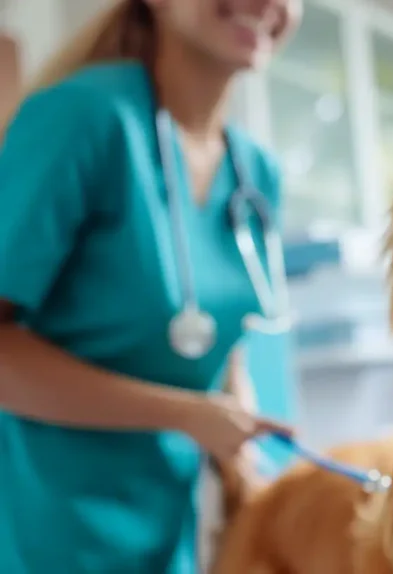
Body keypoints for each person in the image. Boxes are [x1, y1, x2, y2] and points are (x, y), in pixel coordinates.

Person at [0, 0, 303, 571]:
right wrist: (188, 414)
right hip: (39, 529)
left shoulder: (255, 172)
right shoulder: (82, 119)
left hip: (167, 531)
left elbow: (219, 338)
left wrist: (245, 464)